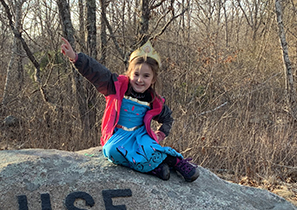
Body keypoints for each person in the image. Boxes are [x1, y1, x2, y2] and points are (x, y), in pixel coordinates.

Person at [61, 37, 199, 182]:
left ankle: (175, 162)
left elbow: (167, 118)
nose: (140, 80)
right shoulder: (115, 86)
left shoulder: (153, 99)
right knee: (111, 151)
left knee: (148, 147)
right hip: (119, 134)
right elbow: (97, 72)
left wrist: (161, 134)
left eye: (146, 76)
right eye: (136, 74)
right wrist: (76, 58)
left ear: (153, 79)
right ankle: (155, 168)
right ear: (129, 73)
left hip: (140, 134)